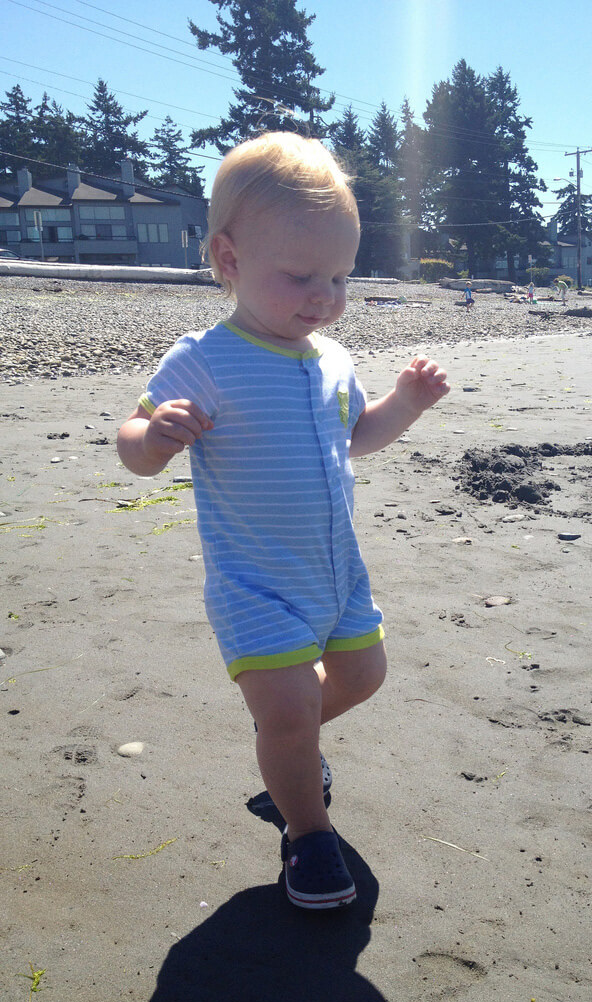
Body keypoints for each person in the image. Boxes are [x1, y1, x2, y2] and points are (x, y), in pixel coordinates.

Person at [116, 132, 450, 910]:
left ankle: (287, 749)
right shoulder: (204, 358)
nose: (323, 296)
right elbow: (131, 446)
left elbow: (355, 437)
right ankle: (308, 835)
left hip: (336, 571)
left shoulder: (332, 359)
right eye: (300, 275)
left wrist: (403, 404)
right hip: (255, 581)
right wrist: (154, 435)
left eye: (339, 276)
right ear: (229, 261)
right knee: (292, 712)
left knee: (363, 676)